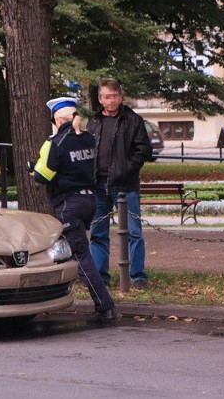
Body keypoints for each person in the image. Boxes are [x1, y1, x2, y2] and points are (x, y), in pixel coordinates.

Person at [32, 96, 116, 323]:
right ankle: (50, 295)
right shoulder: (89, 138)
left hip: (69, 204)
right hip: (90, 202)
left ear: (58, 119)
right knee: (67, 250)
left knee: (81, 257)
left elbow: (42, 176)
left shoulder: (55, 142)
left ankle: (104, 306)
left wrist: (34, 170)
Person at [87, 79, 153, 290]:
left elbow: (144, 150)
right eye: (107, 96)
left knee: (134, 233)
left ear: (120, 97)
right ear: (100, 99)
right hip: (98, 186)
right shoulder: (94, 122)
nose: (111, 100)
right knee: (98, 233)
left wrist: (126, 168)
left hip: (125, 186)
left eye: (114, 96)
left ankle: (137, 276)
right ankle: (100, 277)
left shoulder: (133, 120)